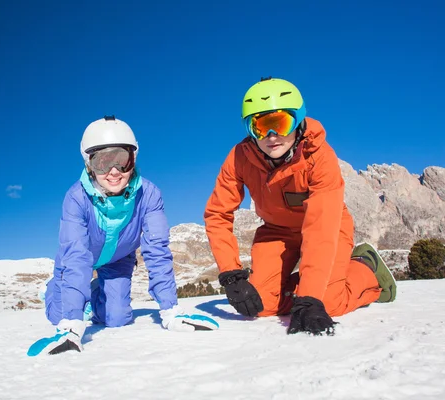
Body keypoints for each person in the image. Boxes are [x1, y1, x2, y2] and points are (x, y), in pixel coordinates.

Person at [203, 77, 397, 336]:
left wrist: (311, 297)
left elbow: (321, 227)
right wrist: (231, 274)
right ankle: (307, 288)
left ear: (298, 120)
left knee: (328, 302)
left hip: (328, 227)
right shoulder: (239, 158)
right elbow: (217, 213)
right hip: (278, 232)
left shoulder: (319, 156)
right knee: (259, 305)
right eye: (260, 127)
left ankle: (365, 267)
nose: (272, 137)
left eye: (280, 124)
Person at [36, 116, 218, 356]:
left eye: (122, 160)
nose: (113, 172)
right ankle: (53, 290)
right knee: (60, 315)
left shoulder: (149, 194)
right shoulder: (76, 198)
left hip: (118, 259)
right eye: (102, 162)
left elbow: (157, 250)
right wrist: (71, 324)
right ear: (89, 164)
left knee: (117, 318)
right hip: (79, 261)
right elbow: (77, 256)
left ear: (133, 159)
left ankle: (92, 294)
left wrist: (170, 310)